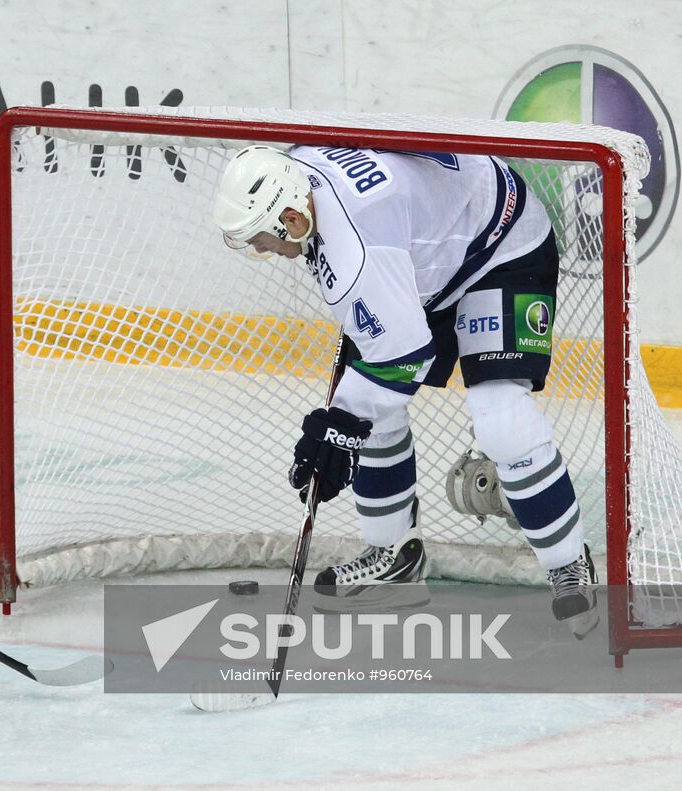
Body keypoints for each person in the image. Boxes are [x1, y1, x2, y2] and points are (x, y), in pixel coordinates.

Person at [212, 144, 597, 632]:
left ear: (291, 218)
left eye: (260, 239)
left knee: (501, 417)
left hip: (501, 243)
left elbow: (405, 359)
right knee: (368, 411)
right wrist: (345, 424)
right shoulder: (298, 167)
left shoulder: (355, 252)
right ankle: (396, 561)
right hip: (422, 253)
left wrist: (340, 427)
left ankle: (568, 563)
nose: (260, 251)